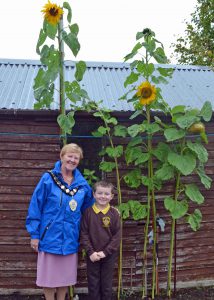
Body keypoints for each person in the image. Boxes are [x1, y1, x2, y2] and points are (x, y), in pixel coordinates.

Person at [26, 143, 94, 300]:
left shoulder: (82, 185)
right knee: (49, 278)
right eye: (69, 156)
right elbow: (36, 206)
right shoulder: (48, 179)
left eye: (76, 158)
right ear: (62, 156)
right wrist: (34, 234)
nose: (72, 160)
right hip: (49, 236)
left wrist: (110, 210)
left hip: (70, 237)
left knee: (65, 277)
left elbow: (89, 208)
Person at [80, 180, 121, 300]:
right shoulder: (87, 213)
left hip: (108, 255)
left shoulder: (114, 214)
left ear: (112, 196)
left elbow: (117, 236)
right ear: (94, 194)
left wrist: (105, 252)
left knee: (107, 284)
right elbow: (84, 234)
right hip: (92, 255)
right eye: (100, 193)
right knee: (93, 284)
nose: (103, 196)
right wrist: (90, 252)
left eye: (106, 194)